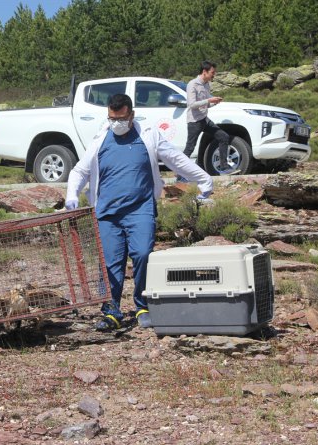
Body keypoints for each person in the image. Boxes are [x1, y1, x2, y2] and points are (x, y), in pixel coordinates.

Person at [65, 94, 213, 331]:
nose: (116, 123)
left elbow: (175, 159)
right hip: (107, 214)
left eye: (121, 118)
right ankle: (111, 311)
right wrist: (72, 193)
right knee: (110, 264)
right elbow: (80, 170)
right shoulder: (101, 138)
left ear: (131, 115)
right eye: (112, 118)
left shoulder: (148, 135)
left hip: (140, 209)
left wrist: (204, 179)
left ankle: (142, 305)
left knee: (143, 254)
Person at [178, 60, 233, 180]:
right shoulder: (192, 84)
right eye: (212, 72)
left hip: (204, 119)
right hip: (194, 121)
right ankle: (180, 175)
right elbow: (192, 105)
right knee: (190, 148)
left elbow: (206, 104)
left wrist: (215, 103)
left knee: (223, 136)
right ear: (204, 72)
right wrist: (209, 100)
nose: (214, 75)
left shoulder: (207, 84)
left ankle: (224, 167)